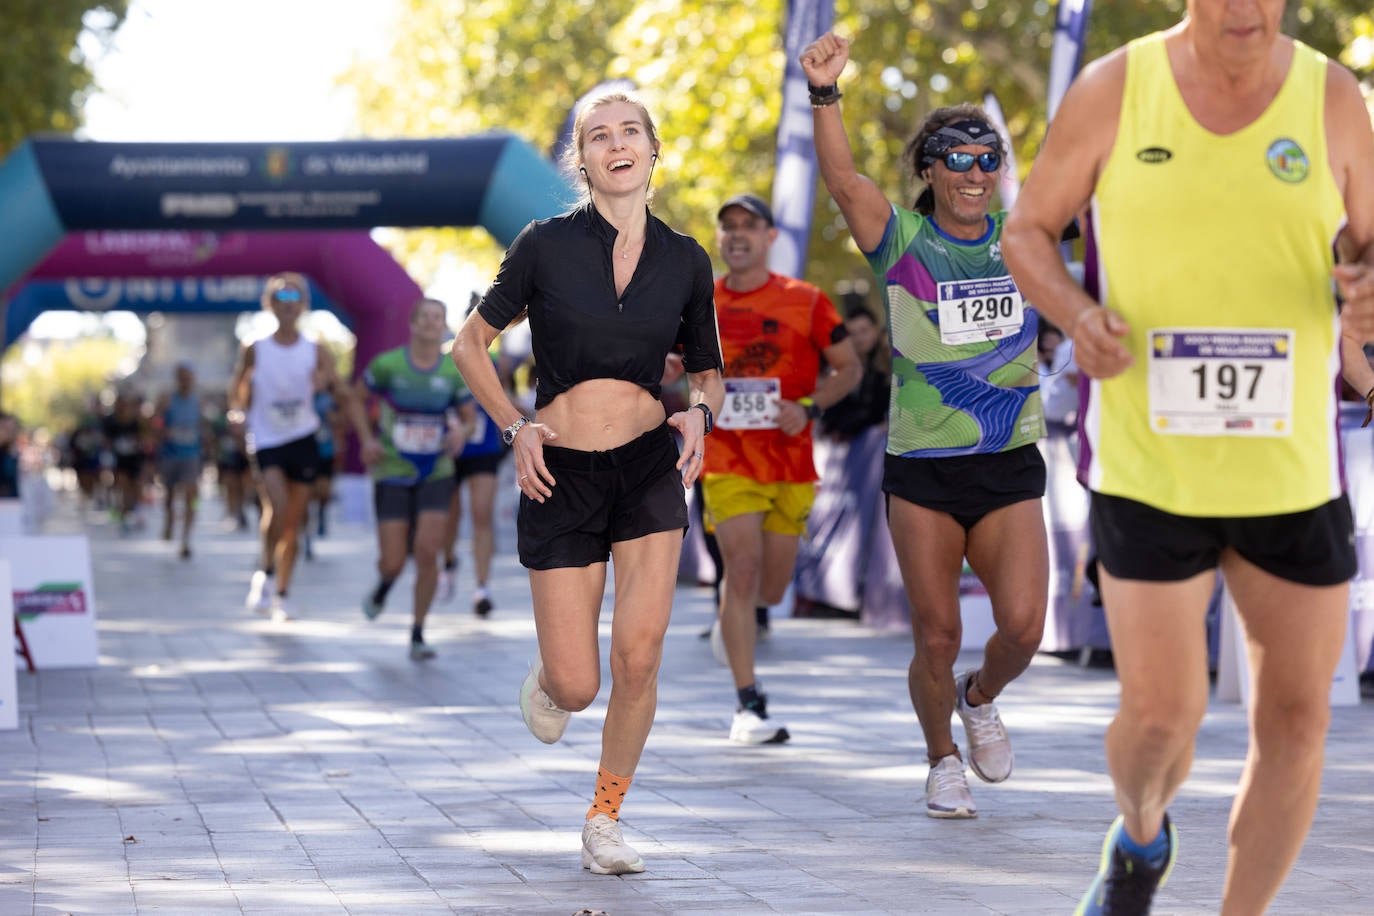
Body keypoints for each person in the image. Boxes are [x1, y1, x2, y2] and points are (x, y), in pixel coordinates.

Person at [1001, 1, 1374, 911]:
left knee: (1296, 718)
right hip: (1148, 461)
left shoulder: (1333, 99)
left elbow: (1368, 243)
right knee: (1163, 720)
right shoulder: (1116, 90)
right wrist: (1077, 315)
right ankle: (1137, 839)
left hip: (1292, 468)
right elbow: (1028, 232)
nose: (1245, 8)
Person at [452, 89, 723, 877]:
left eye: (629, 130)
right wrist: (514, 424)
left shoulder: (685, 259)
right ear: (583, 161)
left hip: (647, 467)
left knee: (640, 656)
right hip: (558, 473)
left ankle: (605, 817)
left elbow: (707, 371)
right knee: (578, 684)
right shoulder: (543, 245)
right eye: (598, 136)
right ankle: (552, 680)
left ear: (652, 148)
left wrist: (699, 413)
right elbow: (470, 346)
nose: (616, 144)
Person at [802, 33, 1052, 819]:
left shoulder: (1024, 236)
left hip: (1008, 456)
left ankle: (981, 697)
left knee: (1021, 628)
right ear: (930, 171)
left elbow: (1106, 198)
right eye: (956, 158)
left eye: (988, 159)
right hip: (924, 469)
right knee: (936, 634)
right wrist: (824, 94)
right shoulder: (902, 242)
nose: (974, 172)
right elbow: (843, 182)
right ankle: (941, 757)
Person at [703, 192, 861, 745]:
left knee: (771, 587)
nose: (737, 234)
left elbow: (849, 367)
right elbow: (674, 363)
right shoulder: (698, 302)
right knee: (740, 571)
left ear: (771, 237)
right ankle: (747, 704)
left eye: (750, 225)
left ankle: (737, 621)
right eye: (728, 227)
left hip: (790, 464)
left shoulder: (807, 300)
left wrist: (811, 406)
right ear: (720, 239)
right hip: (725, 457)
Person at [348, 297, 476, 660]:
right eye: (426, 317)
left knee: (426, 551)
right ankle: (384, 585)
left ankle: (418, 632)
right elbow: (356, 399)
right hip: (392, 469)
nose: (432, 323)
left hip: (437, 470)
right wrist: (368, 438)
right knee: (392, 560)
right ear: (414, 323)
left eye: (439, 317)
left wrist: (460, 434)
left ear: (443, 325)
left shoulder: (453, 371)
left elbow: (469, 419)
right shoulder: (388, 365)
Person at [229, 272, 341, 622]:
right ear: (271, 305)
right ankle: (265, 568)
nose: (289, 305)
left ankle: (281, 592)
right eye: (281, 298)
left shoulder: (316, 349)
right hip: (266, 438)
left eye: (295, 299)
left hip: (303, 437)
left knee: (294, 521)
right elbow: (237, 390)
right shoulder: (254, 348)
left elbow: (338, 388)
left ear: (303, 306)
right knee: (277, 507)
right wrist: (236, 413)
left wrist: (325, 382)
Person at [438, 358, 511, 617]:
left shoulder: (493, 363)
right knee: (450, 517)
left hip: (484, 450)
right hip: (452, 450)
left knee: (482, 514)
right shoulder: (447, 361)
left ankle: (482, 588)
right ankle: (448, 563)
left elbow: (503, 399)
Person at [156, 363, 206, 559]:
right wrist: (163, 429)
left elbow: (203, 425)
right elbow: (154, 422)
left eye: (189, 377)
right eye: (182, 377)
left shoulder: (198, 401)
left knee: (191, 496)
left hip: (191, 456)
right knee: (169, 496)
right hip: (169, 455)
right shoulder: (167, 400)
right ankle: (169, 520)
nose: (186, 381)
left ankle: (186, 538)